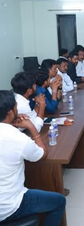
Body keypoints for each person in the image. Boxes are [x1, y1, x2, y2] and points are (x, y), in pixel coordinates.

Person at [0, 90, 66, 225]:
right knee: (59, 201)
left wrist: (10, 124)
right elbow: (42, 154)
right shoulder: (18, 139)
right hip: (8, 207)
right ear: (10, 112)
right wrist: (32, 128)